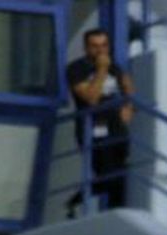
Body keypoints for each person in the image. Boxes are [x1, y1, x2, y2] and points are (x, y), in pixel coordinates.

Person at [64, 29, 135, 211]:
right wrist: (102, 69)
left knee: (123, 174)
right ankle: (77, 200)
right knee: (108, 174)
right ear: (86, 48)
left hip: (116, 127)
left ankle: (115, 213)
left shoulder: (114, 67)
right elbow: (91, 98)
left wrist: (128, 106)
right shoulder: (77, 68)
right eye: (95, 46)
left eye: (104, 45)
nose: (100, 50)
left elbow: (127, 86)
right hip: (93, 128)